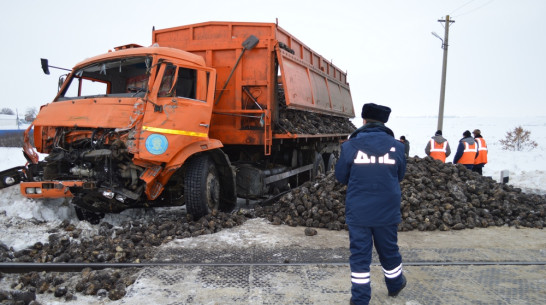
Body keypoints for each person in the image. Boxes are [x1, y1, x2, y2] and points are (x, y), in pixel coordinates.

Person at [335, 103, 407, 305]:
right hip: (387, 209)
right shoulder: (398, 147)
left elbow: (341, 176)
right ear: (384, 122)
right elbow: (400, 175)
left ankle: (360, 299)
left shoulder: (350, 146)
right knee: (389, 250)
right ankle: (395, 285)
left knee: (360, 255)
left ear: (364, 120)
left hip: (359, 211)